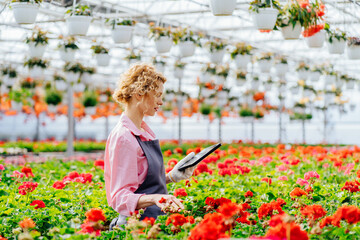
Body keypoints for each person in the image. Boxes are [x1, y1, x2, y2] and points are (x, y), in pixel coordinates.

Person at [104, 63, 196, 229]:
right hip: (136, 227)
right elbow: (119, 197)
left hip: (152, 221)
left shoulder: (143, 132)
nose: (161, 102)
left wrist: (171, 176)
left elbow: (142, 184)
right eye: (158, 95)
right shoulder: (124, 137)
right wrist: (156, 198)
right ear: (140, 94)